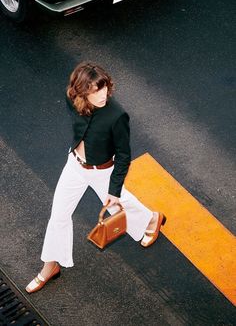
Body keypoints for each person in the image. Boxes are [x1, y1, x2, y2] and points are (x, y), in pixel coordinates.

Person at [25, 63, 166, 293]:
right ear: (81, 92)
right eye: (94, 91)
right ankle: (50, 266)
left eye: (104, 88)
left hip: (102, 170)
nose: (102, 95)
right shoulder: (72, 100)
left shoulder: (117, 116)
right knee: (58, 215)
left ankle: (152, 219)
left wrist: (113, 189)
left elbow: (123, 155)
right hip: (74, 166)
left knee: (119, 204)